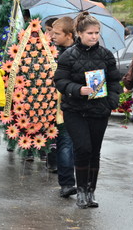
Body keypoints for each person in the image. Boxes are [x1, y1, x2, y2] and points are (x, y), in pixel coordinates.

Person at [54, 11, 121, 209]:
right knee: (83, 148)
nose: (94, 36)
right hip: (75, 110)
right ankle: (81, 190)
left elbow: (115, 80)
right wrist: (78, 89)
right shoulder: (68, 55)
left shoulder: (106, 55)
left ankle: (91, 191)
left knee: (94, 152)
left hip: (99, 110)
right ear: (80, 34)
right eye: (90, 33)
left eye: (97, 33)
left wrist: (112, 101)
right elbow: (60, 81)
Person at [51, 16, 76, 197]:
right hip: (56, 105)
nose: (52, 36)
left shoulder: (76, 53)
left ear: (69, 35)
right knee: (65, 143)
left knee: (70, 144)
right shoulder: (50, 52)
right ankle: (67, 183)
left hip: (72, 103)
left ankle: (78, 182)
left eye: (57, 33)